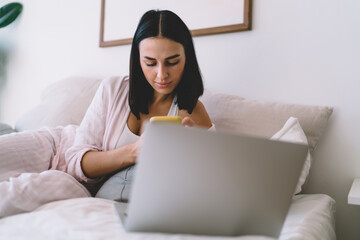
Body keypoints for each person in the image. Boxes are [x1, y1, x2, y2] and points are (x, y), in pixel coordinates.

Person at [0, 9, 214, 217]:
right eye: (150, 62)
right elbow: (76, 158)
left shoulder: (193, 115)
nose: (161, 74)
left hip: (75, 185)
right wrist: (135, 151)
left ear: (187, 57)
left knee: (15, 192)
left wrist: (191, 155)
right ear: (138, 60)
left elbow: (208, 186)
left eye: (172, 61)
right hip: (55, 146)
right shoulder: (114, 88)